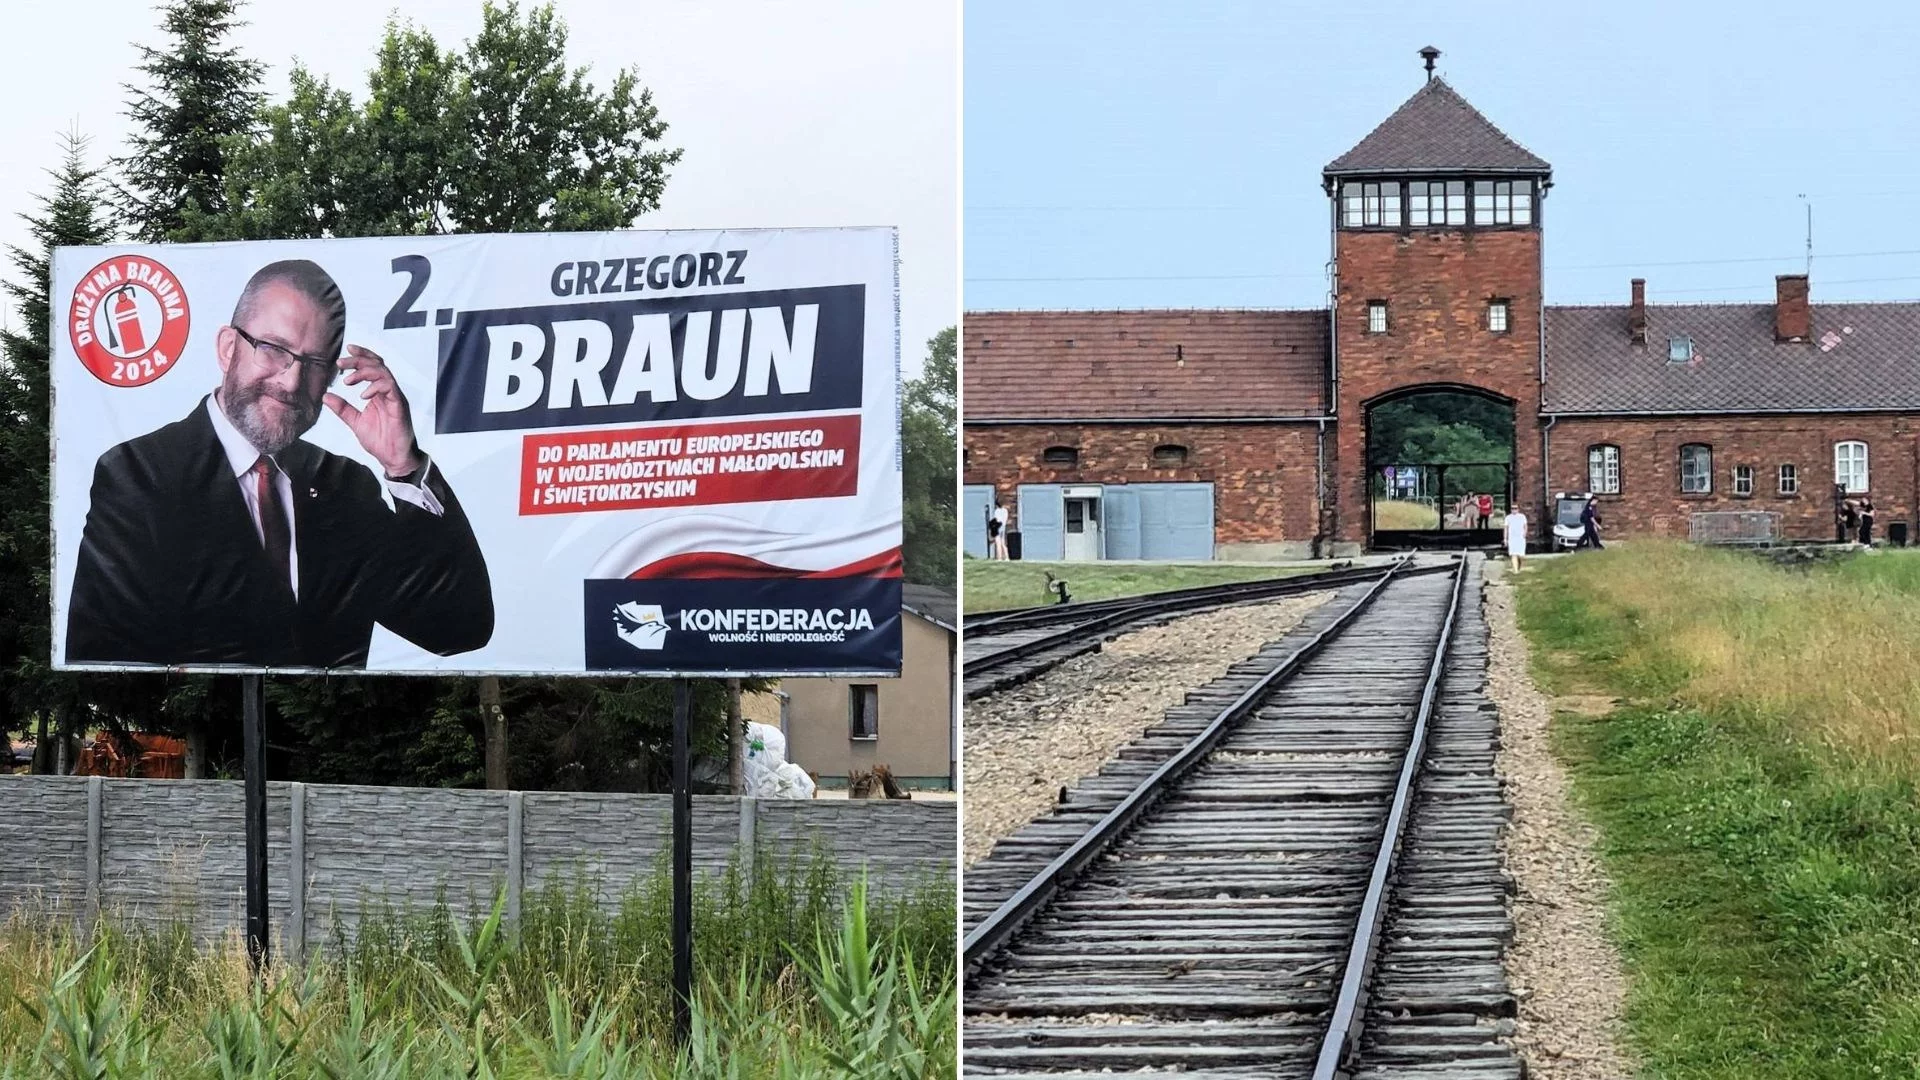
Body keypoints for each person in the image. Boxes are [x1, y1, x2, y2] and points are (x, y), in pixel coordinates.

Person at [65, 259, 494, 669]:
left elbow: (457, 627)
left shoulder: (347, 488)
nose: (291, 382)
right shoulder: (138, 476)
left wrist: (405, 466)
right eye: (273, 349)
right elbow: (103, 662)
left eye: (314, 364)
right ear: (228, 348)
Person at [1503, 505, 1529, 573]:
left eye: (1515, 508)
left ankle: (1519, 567)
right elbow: (1506, 528)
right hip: (1512, 538)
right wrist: (1505, 538)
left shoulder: (1522, 516)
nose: (1514, 510)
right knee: (1513, 554)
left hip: (1520, 538)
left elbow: (1525, 526)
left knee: (1520, 555)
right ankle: (1515, 570)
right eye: (1512, 508)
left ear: (1518, 509)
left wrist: (1525, 533)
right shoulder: (1508, 517)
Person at [985, 495, 1004, 559]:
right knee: (1002, 543)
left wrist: (991, 523)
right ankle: (1004, 557)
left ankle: (999, 557)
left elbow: (997, 519)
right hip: (1002, 528)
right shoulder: (1004, 511)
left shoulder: (997, 511)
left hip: (997, 528)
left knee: (998, 543)